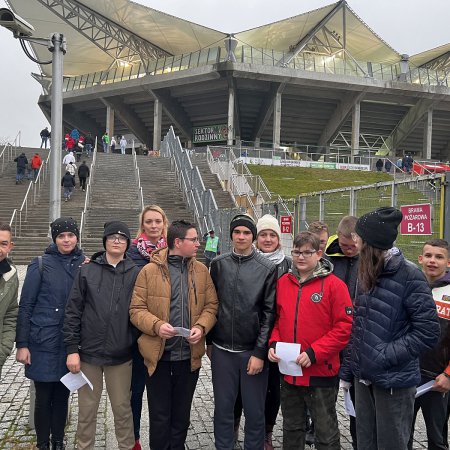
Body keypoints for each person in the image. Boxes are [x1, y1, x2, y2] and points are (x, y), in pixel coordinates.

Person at [339, 207, 441, 450]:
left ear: (371, 242)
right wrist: (348, 370)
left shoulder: (410, 276)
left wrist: (384, 354)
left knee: (391, 444)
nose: (355, 241)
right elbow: (359, 325)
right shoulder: (367, 271)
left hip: (394, 382)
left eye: (358, 237)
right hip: (363, 379)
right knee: (365, 443)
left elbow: (428, 332)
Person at [130, 220, 218, 450]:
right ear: (178, 242)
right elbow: (136, 310)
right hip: (158, 358)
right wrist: (157, 325)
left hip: (188, 358)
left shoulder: (201, 271)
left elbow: (211, 306)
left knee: (181, 417)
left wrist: (201, 327)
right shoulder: (148, 271)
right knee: (160, 418)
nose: (199, 244)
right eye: (194, 239)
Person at [269, 231, 353, 449]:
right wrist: (274, 344)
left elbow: (344, 328)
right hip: (290, 373)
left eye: (307, 252)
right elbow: (278, 320)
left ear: (319, 253)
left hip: (320, 373)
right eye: (296, 252)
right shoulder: (283, 283)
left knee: (325, 433)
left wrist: (314, 353)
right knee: (292, 428)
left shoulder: (335, 285)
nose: (301, 257)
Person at [64, 221, 141, 450]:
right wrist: (71, 350)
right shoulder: (87, 271)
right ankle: (84, 446)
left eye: (122, 237)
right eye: (112, 237)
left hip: (121, 355)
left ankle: (126, 446)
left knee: (122, 408)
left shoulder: (136, 273)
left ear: (128, 243)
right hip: (89, 355)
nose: (116, 240)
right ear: (104, 241)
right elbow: (73, 311)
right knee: (87, 409)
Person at [208, 213, 277, 450]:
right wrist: (210, 342)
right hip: (222, 349)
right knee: (224, 410)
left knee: (255, 412)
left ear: (253, 237)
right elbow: (212, 305)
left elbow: (269, 313)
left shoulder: (267, 268)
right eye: (237, 232)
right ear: (231, 235)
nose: (241, 236)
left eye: (247, 233)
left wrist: (260, 352)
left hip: (252, 352)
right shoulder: (218, 264)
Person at [16, 218, 85, 450]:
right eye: (61, 236)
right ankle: (42, 443)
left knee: (63, 396)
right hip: (42, 341)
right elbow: (26, 305)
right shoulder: (41, 264)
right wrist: (22, 344)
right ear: (54, 239)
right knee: (43, 398)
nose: (66, 240)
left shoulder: (84, 265)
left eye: (70, 235)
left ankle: (58, 441)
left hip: (70, 343)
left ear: (77, 237)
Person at [233, 214, 291, 449]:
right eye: (264, 234)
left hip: (278, 334)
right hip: (250, 332)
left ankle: (266, 431)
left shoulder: (288, 263)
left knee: (271, 388)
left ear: (278, 238)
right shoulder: (246, 260)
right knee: (239, 385)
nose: (268, 239)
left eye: (272, 235)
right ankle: (235, 425)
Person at [127, 205, 169, 450]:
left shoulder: (172, 252)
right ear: (142, 225)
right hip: (135, 331)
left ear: (164, 224)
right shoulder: (130, 252)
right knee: (134, 392)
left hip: (163, 332)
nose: (153, 226)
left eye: (158, 221)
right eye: (149, 222)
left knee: (160, 395)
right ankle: (133, 438)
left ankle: (162, 440)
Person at [408, 239, 450, 450]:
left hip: (438, 379)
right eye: (429, 256)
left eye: (439, 257)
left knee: (437, 438)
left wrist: (449, 374)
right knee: (402, 433)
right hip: (407, 376)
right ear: (420, 258)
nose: (432, 261)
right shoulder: (410, 287)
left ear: (448, 262)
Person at [325, 215, 359, 449]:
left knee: (356, 394)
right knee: (326, 389)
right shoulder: (328, 259)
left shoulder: (368, 259)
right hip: (331, 334)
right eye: (344, 246)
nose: (348, 250)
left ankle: (359, 437)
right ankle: (322, 430)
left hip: (357, 336)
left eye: (352, 246)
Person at [0, 223, 18, 376]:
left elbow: (11, 314)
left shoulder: (10, 275)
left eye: (3, 244)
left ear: (10, 246)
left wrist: (4, 348)